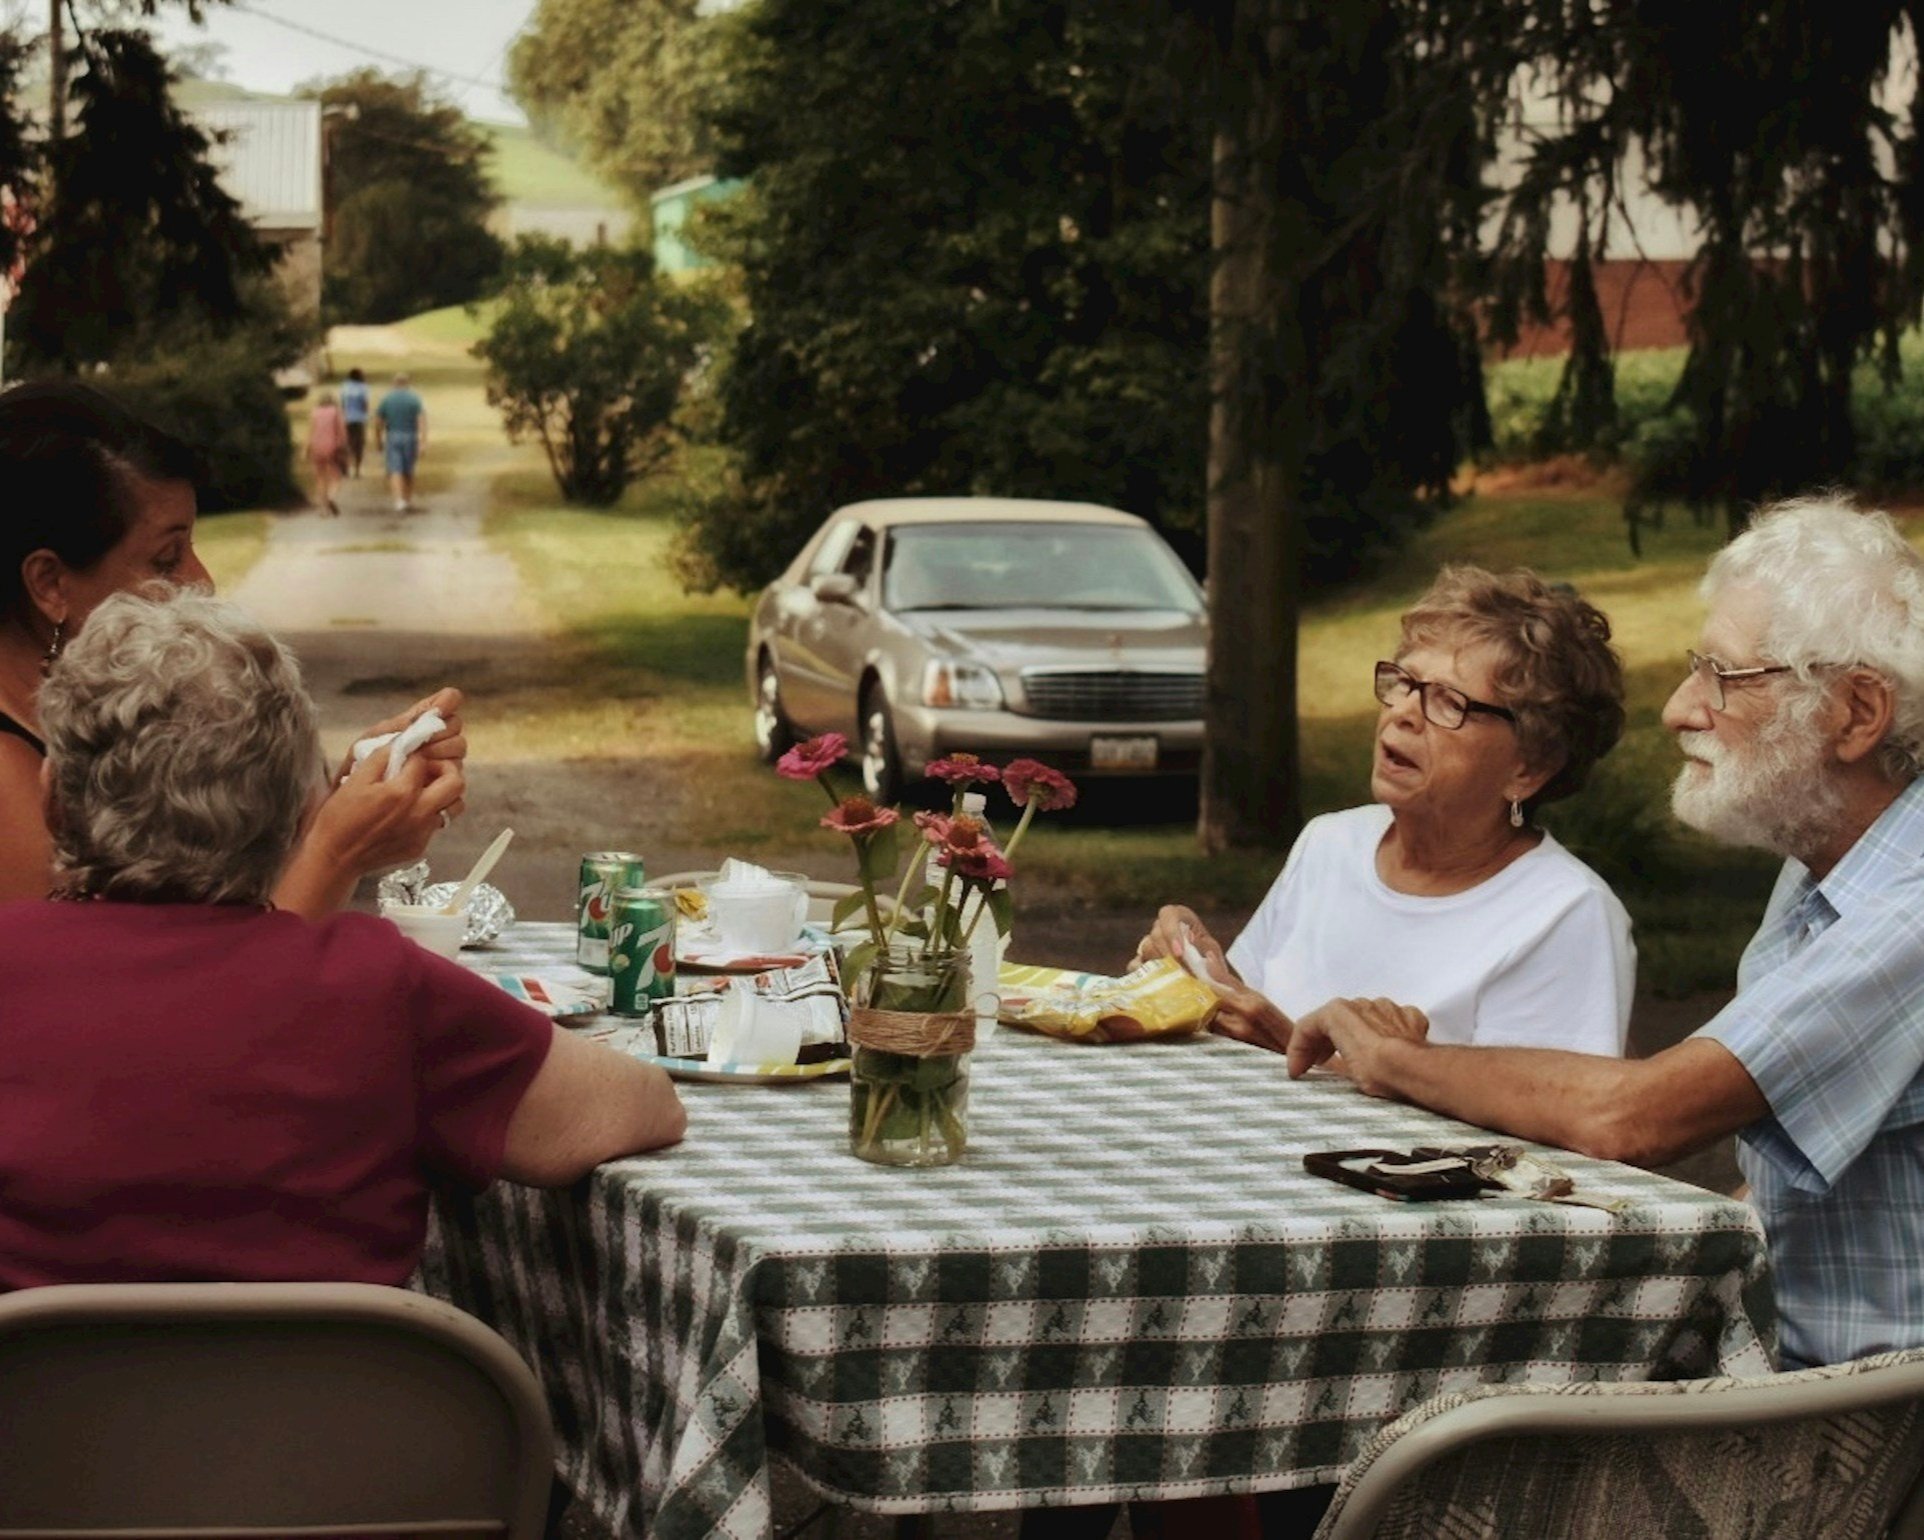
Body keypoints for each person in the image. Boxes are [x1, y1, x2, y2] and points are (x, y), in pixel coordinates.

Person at [1280, 499, 1924, 1371]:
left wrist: (1390, 1058)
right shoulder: (1825, 869)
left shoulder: (1908, 903)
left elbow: (1638, 1117)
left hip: (1853, 1419)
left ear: (1856, 714)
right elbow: (1782, 1181)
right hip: (1771, 1361)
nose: (1680, 708)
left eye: (1724, 677)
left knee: (1439, 1435)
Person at [0, 586, 685, 1289]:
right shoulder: (377, 985)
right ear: (302, 811)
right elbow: (638, 1110)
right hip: (323, 1400)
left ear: (52, 798)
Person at [0, 379, 464, 914]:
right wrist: (335, 854)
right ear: (51, 584)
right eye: (167, 558)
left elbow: (201, 927)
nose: (202, 581)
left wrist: (334, 808)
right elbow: (165, 991)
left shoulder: (106, 729)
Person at [1140, 564, 1634, 1057]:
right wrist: (1198, 965)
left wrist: (1288, 1044)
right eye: (1403, 682)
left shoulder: (1566, 912)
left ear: (1530, 767)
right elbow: (1244, 1008)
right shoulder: (1330, 842)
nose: (1403, 712)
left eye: (1448, 702)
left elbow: (1542, 1118)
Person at [376, 371, 427, 513]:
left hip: (393, 436)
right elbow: (421, 421)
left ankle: (398, 500)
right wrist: (423, 441)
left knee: (395, 470)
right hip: (410, 436)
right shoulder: (415, 399)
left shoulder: (387, 399)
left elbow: (379, 421)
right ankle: (407, 499)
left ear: (394, 384)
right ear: (408, 384)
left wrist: (378, 438)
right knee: (408, 470)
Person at [307, 388, 347, 515]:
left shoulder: (314, 412)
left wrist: (306, 449)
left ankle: (323, 508)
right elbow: (342, 432)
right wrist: (343, 448)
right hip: (332, 447)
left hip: (316, 447)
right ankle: (331, 497)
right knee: (336, 477)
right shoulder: (336, 412)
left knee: (320, 478)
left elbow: (310, 432)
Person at [340, 366, 370, 478]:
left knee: (348, 443)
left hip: (347, 418)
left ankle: (348, 468)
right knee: (359, 444)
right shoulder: (363, 387)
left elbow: (342, 403)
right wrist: (366, 413)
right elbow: (365, 404)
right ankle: (358, 469)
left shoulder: (345, 387)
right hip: (359, 419)